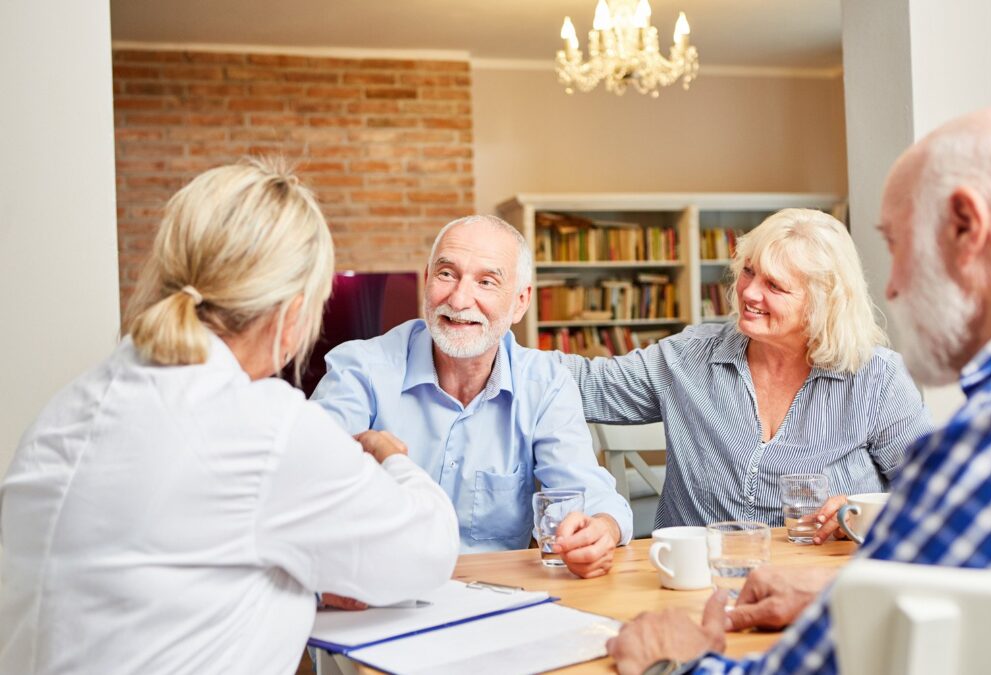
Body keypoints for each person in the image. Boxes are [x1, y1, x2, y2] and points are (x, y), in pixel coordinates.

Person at [606, 103, 991, 674]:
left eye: (898, 245)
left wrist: (672, 663)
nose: (895, 285)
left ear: (965, 227)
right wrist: (829, 601)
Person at [0, 160, 459, 674]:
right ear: (291, 313)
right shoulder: (264, 425)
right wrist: (393, 459)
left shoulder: (65, 408)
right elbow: (428, 553)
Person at [556, 208, 931, 533]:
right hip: (698, 584)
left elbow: (931, 495)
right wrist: (499, 340)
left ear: (822, 304)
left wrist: (864, 513)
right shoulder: (690, 358)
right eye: (749, 272)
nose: (749, 293)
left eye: (774, 285)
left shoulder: (878, 380)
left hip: (817, 586)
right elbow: (584, 382)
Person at [311, 214, 632, 577]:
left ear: (520, 302)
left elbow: (586, 493)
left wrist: (602, 529)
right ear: (428, 278)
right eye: (447, 274)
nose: (460, 299)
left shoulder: (545, 385)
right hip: (375, 588)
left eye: (486, 281)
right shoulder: (360, 368)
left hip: (493, 598)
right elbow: (308, 485)